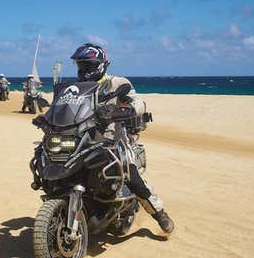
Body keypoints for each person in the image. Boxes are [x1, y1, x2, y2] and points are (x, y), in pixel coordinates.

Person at [70, 43, 175, 233]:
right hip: (83, 141)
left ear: (100, 65)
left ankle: (159, 213)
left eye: (87, 65)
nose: (83, 70)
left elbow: (138, 102)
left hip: (114, 141)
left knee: (131, 177)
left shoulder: (116, 83)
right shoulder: (77, 88)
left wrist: (119, 110)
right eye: (80, 66)